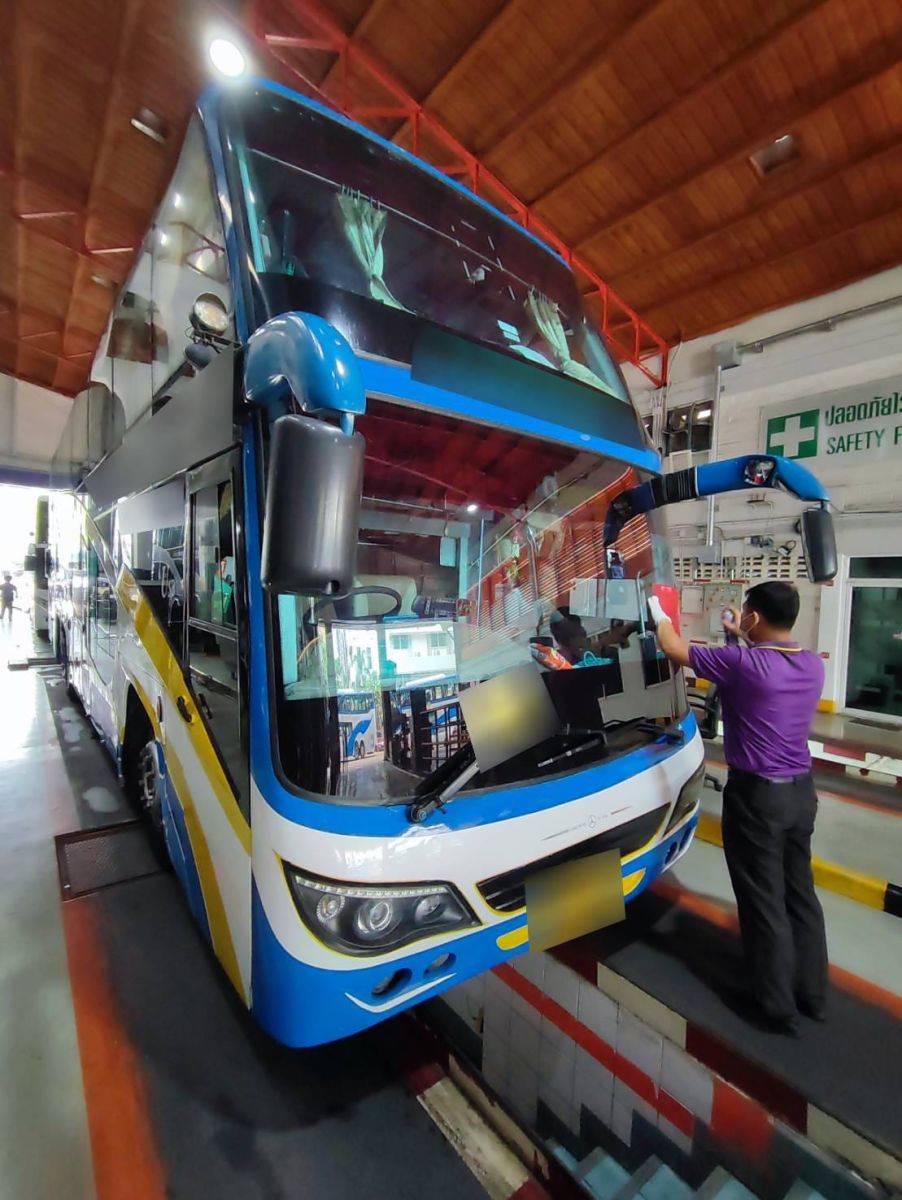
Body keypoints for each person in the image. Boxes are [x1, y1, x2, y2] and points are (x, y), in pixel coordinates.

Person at [648, 582, 827, 1036]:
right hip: (801, 795)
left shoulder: (742, 664)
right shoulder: (810, 664)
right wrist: (737, 634)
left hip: (757, 797)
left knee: (762, 897)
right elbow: (763, 659)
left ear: (756, 617)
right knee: (800, 894)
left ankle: (775, 1003)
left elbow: (672, 646)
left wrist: (657, 608)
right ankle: (813, 995)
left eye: (746, 613)